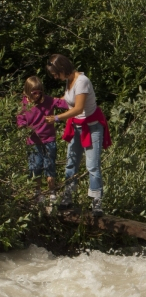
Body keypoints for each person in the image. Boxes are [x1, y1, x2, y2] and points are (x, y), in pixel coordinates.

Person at [44, 54, 111, 217]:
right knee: (71, 162)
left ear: (61, 69)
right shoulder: (69, 80)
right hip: (76, 126)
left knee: (92, 166)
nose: (55, 77)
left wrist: (57, 118)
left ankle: (96, 204)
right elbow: (67, 101)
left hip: (91, 127)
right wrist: (47, 103)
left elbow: (78, 109)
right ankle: (67, 198)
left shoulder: (82, 82)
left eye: (55, 74)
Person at [16, 76, 69, 203]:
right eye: (34, 93)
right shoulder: (23, 105)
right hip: (33, 141)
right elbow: (20, 120)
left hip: (48, 139)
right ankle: (37, 193)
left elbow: (65, 103)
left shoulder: (47, 100)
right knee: (35, 167)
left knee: (50, 166)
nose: (37, 95)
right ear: (28, 91)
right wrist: (23, 128)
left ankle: (52, 193)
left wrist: (73, 96)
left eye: (39, 92)